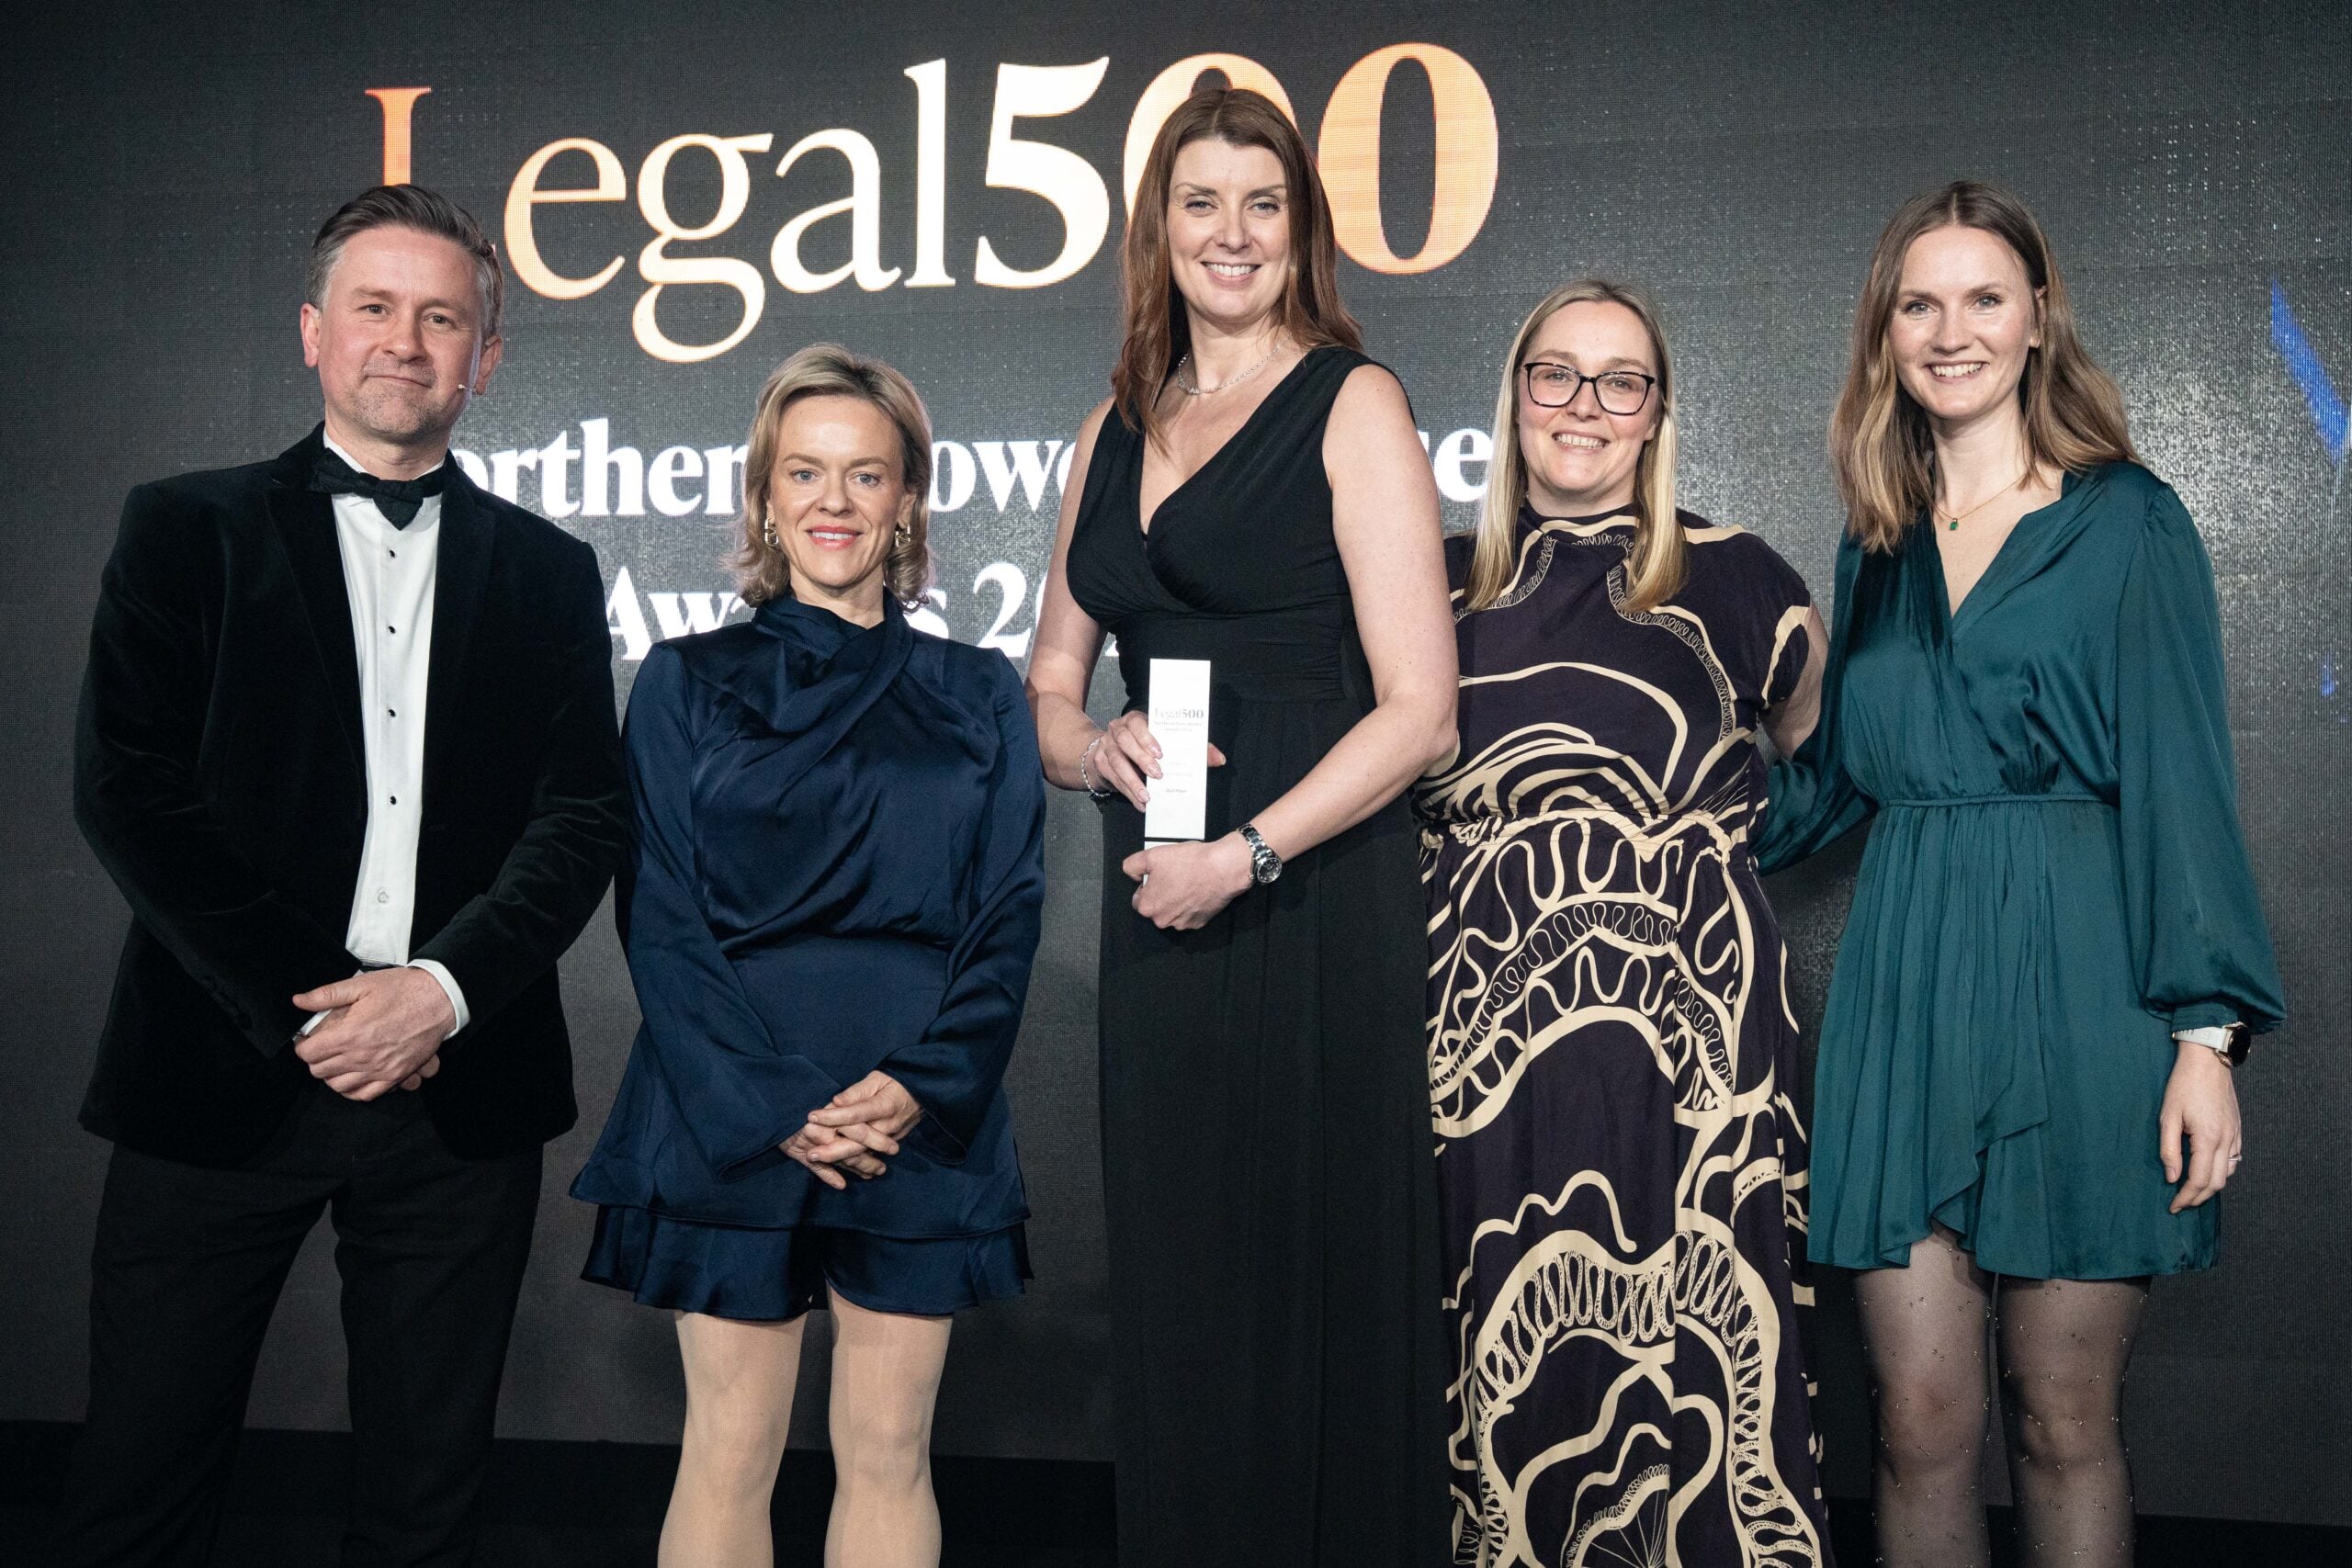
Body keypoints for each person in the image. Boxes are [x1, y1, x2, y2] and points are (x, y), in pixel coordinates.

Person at [57, 184, 628, 1565]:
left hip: (457, 1088)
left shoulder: (552, 571)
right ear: (314, 332)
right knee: (140, 1484)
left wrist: (436, 995)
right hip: (219, 1072)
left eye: (443, 318)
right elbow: (129, 792)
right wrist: (320, 1006)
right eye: (374, 308)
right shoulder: (182, 529)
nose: (406, 343)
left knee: (427, 1507)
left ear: (487, 357)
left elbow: (579, 819)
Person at [1758, 180, 2286, 1568]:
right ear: (1885, 332)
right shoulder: (1876, 542)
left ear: (2039, 317)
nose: (1953, 332)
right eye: (1920, 304)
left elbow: (2181, 784)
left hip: (2084, 991)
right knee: (1920, 1424)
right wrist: (1648, 796)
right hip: (1907, 992)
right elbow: (1835, 779)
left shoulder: (2131, 521)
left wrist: (2206, 1040)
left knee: (2062, 1420)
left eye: (1984, 298)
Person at [1023, 85, 1458, 1566]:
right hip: (1157, 895)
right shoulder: (1110, 426)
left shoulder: (1353, 401)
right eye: (1201, 202)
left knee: (1306, 1271)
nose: (1231, 233)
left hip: (1309, 892)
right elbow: (1050, 682)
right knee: (1185, 1277)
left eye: (1262, 205)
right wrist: (1094, 750)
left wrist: (1250, 853)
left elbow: (1421, 712)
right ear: (1158, 229)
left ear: (1301, 231)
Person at [571, 344, 1046, 1568]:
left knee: (889, 1449)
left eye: (866, 475)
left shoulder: (981, 691)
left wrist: (924, 1084)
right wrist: (770, 1103)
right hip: (728, 1104)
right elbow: (659, 915)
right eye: (805, 472)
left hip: (917, 1108)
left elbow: (1006, 912)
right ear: (765, 496)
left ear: (908, 499)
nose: (835, 501)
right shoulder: (683, 681)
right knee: (729, 1449)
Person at [1415, 279, 1835, 1566]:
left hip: (1694, 1050)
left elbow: (1824, 765)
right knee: (1492, 1352)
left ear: (1657, 412)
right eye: (1556, 373)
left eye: (1621, 381)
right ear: (1515, 396)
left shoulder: (1740, 577)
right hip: (1473, 1042)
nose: (1585, 405)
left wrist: (1697, 871)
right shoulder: (1428, 581)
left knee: (1708, 1363)